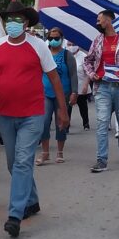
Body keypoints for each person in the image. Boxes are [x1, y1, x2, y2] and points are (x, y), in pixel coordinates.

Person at [0, 1, 68, 238]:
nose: (12, 24)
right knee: (14, 164)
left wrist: (63, 110)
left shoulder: (38, 46)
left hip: (33, 115)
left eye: (18, 20)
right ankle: (31, 200)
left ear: (27, 23)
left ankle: (15, 214)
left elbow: (54, 79)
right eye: (9, 19)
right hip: (6, 115)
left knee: (22, 163)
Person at [84, 10, 119, 172]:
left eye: (99, 20)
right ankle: (101, 160)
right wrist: (92, 75)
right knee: (102, 123)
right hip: (103, 87)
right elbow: (88, 60)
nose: (97, 23)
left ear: (108, 20)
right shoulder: (98, 40)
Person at [36, 27, 78, 165]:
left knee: (61, 123)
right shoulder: (44, 54)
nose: (53, 40)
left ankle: (60, 152)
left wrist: (74, 92)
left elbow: (73, 74)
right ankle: (45, 153)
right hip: (45, 93)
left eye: (56, 38)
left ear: (61, 39)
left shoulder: (67, 55)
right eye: (50, 38)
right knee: (44, 122)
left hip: (63, 94)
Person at [67, 41, 92, 130]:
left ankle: (86, 123)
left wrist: (86, 85)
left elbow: (88, 72)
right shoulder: (65, 54)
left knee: (82, 106)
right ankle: (67, 125)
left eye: (73, 44)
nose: (71, 47)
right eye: (69, 45)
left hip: (81, 85)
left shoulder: (83, 56)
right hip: (68, 87)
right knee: (68, 106)